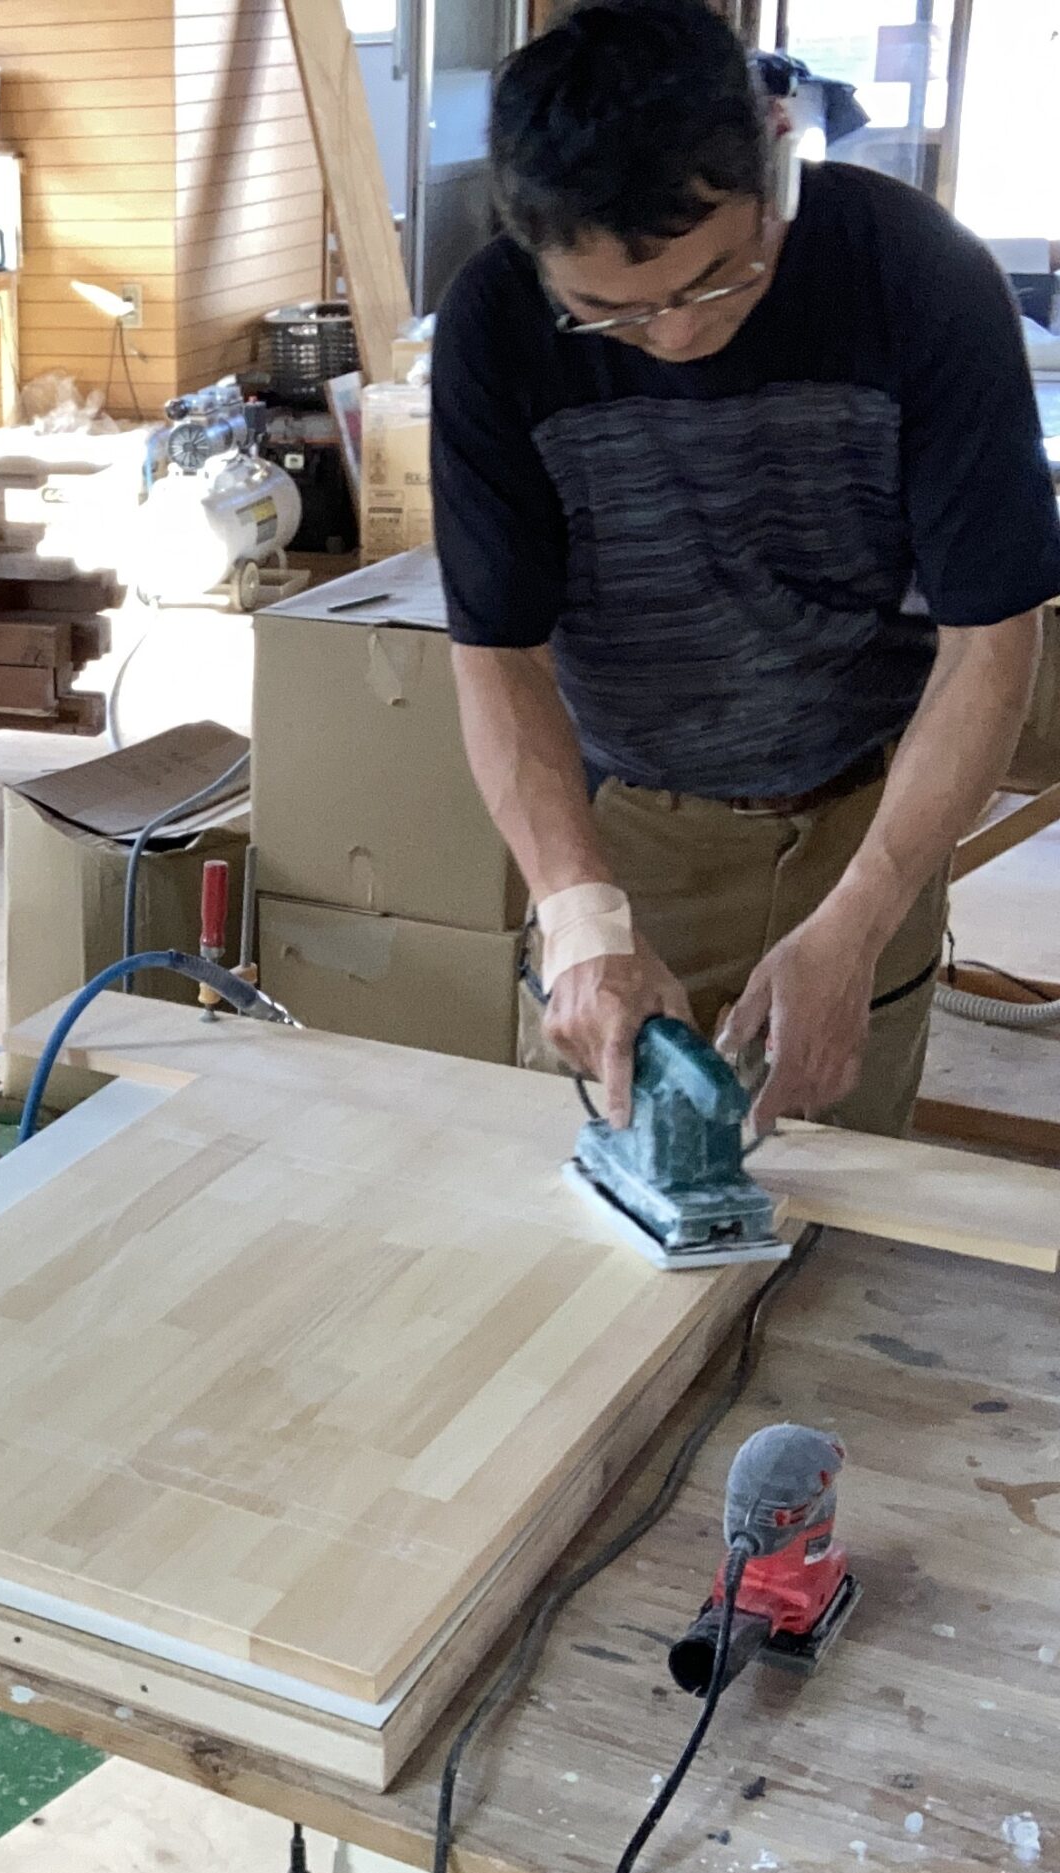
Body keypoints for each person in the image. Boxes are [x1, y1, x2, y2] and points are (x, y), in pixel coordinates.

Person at [431, 0, 1058, 1136]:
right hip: (630, 823)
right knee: (607, 1185)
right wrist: (582, 922)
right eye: (609, 315)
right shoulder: (492, 324)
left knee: (840, 1185)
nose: (676, 334)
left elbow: (989, 639)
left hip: (871, 813)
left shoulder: (921, 276)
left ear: (775, 167)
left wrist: (864, 915)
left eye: (717, 278)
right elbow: (500, 657)